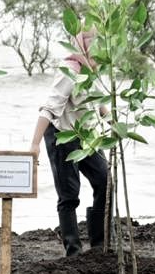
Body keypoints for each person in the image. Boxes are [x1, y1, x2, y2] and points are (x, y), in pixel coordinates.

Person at [29, 30, 109, 257]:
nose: (97, 51)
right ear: (81, 47)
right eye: (92, 46)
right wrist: (34, 145)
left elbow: (98, 100)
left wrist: (113, 123)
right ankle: (73, 252)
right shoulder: (70, 72)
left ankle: (99, 246)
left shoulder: (92, 72)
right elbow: (49, 108)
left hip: (86, 136)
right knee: (69, 195)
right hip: (62, 135)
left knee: (105, 180)